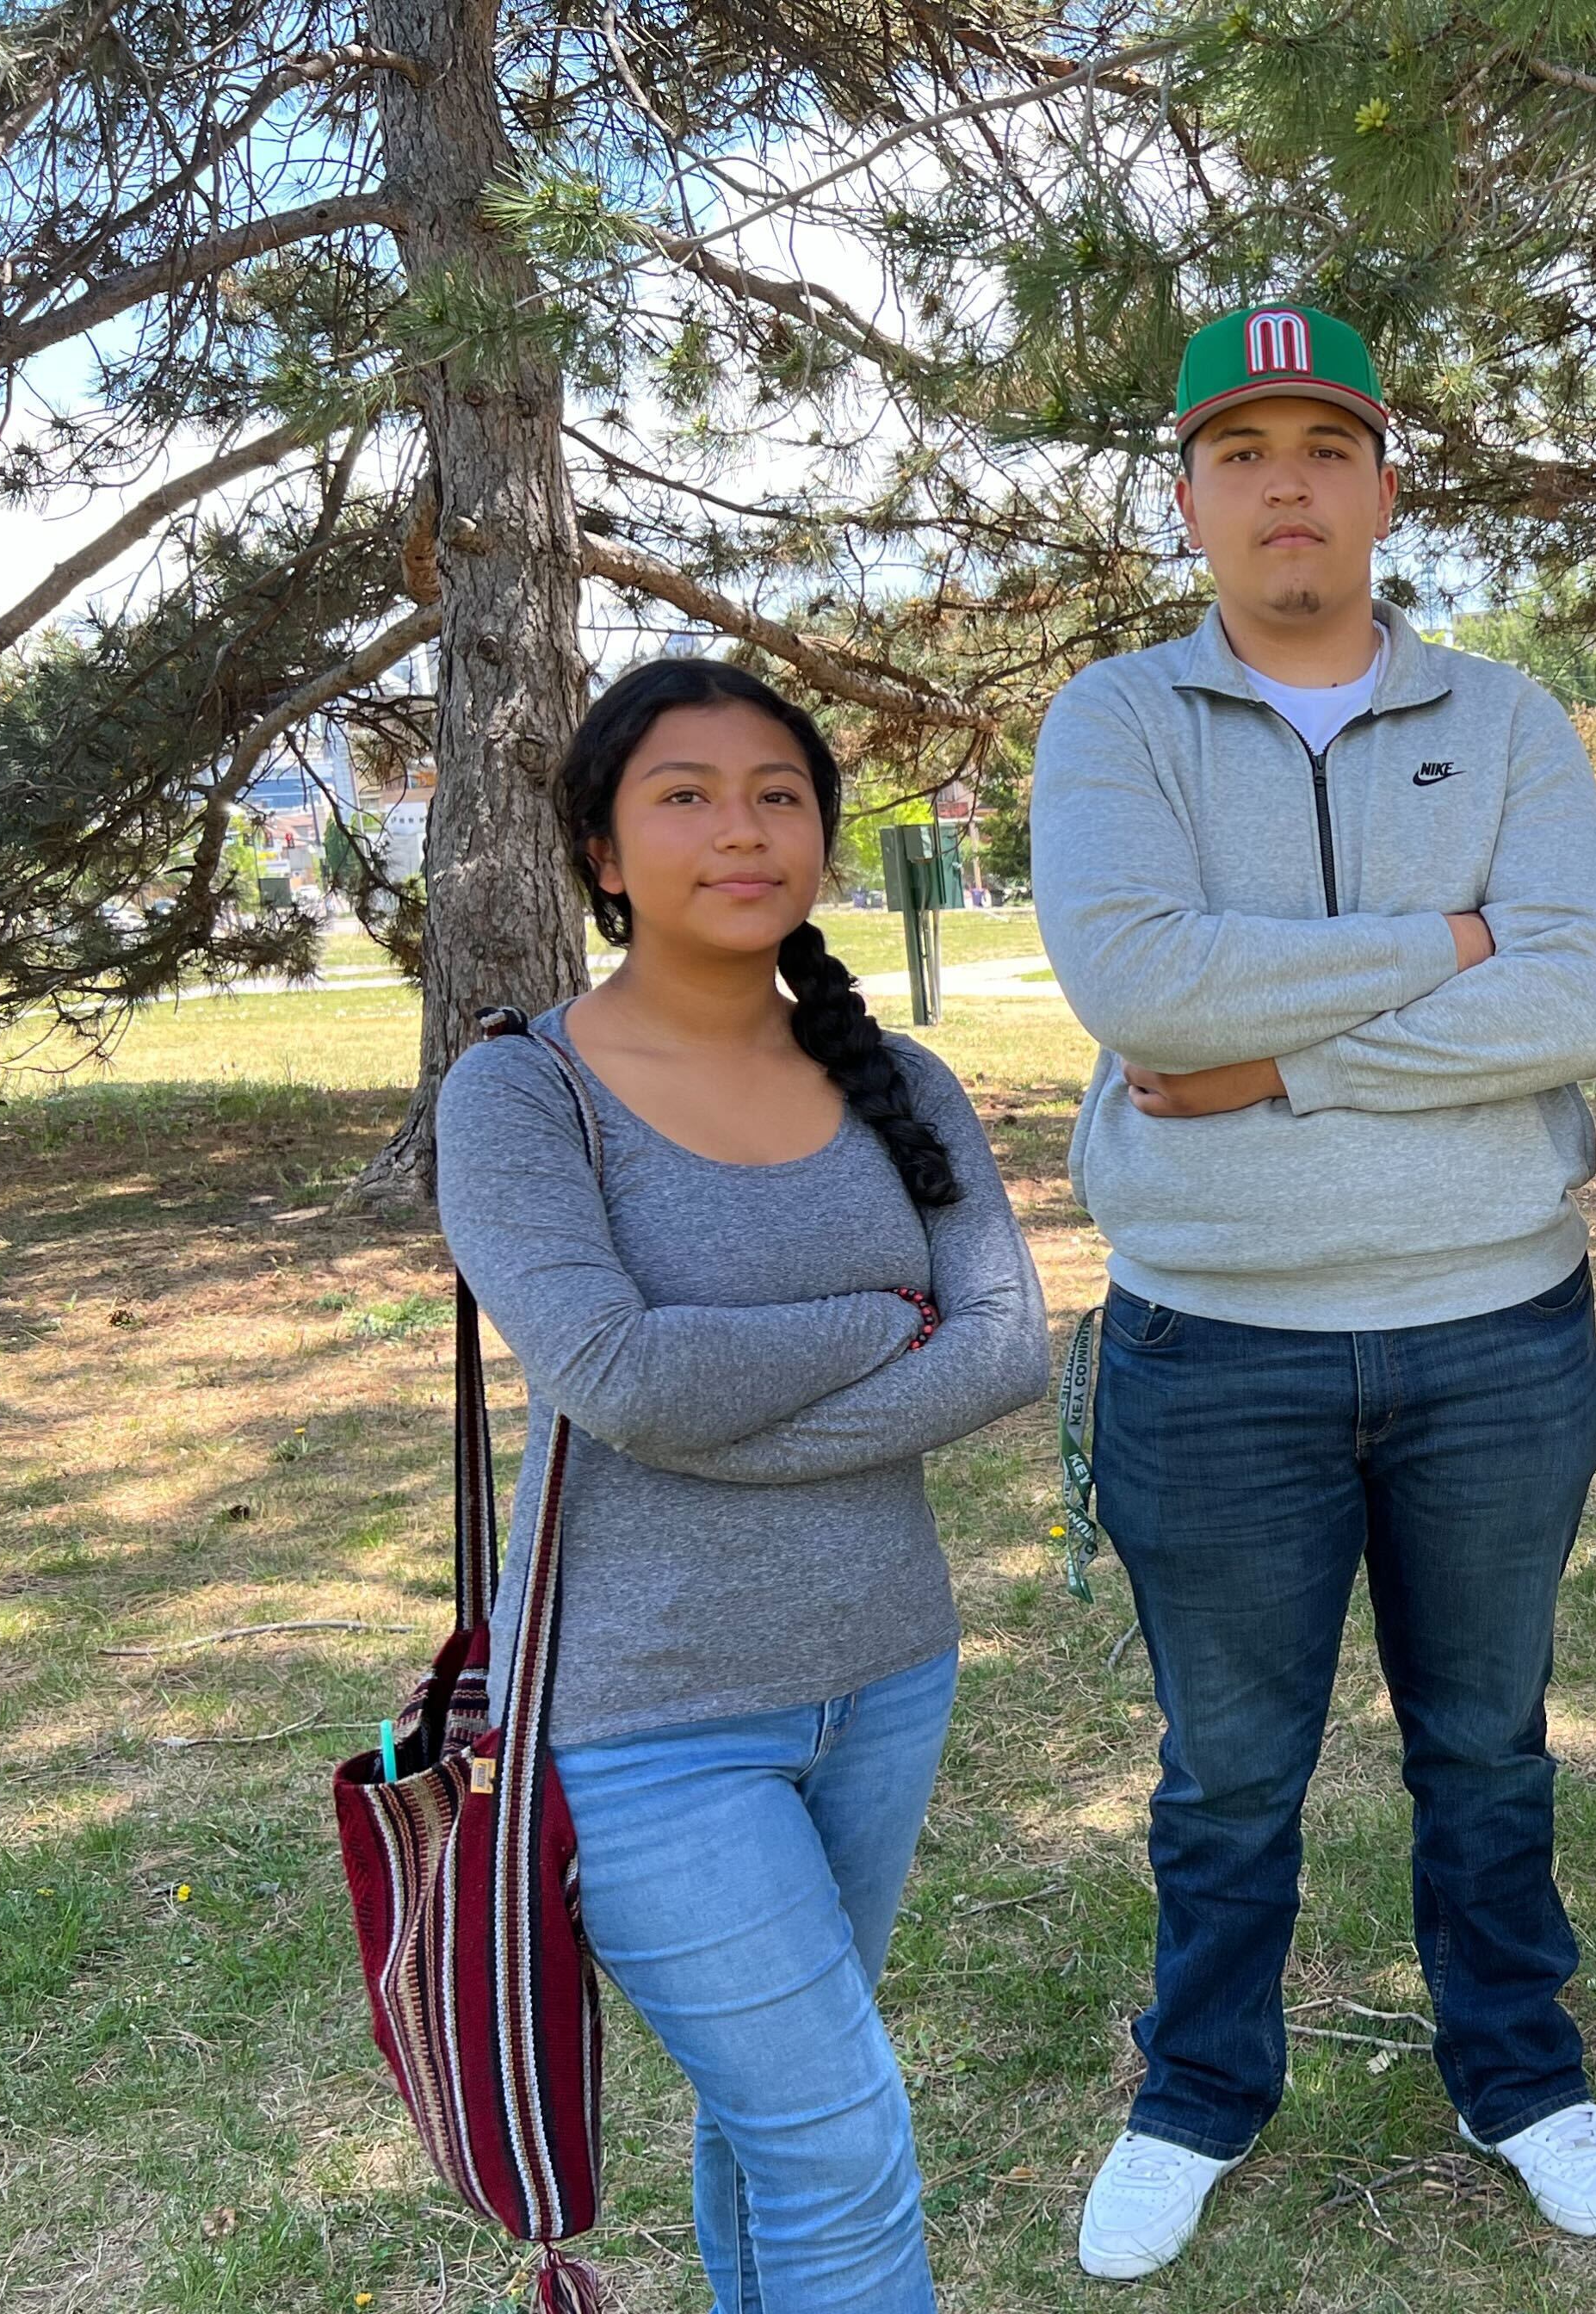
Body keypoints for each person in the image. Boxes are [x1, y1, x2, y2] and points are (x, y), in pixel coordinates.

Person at [1027, 301, 1596, 2280]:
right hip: (1215, 1348)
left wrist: (1274, 1063)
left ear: (1384, 485)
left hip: (1496, 1335)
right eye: (1242, 452)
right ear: (1192, 498)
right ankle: (1199, 2087)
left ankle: (1520, 2071)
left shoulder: (1510, 717)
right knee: (1228, 1773)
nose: (1285, 483)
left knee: (1486, 1740)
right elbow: (1140, 991)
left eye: (1323, 445)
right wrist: (1442, 941)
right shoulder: (1117, 721)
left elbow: (1585, 989)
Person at [435, 659, 1049, 2311]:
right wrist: (869, 1319)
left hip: (886, 1671)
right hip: (647, 1717)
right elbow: (617, 1378)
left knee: (773, 2109)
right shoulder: (519, 1093)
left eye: (780, 793)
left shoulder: (896, 1081)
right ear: (604, 850)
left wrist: (724, 1409)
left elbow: (1003, 1349)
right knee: (839, 2135)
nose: (742, 829)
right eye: (686, 795)